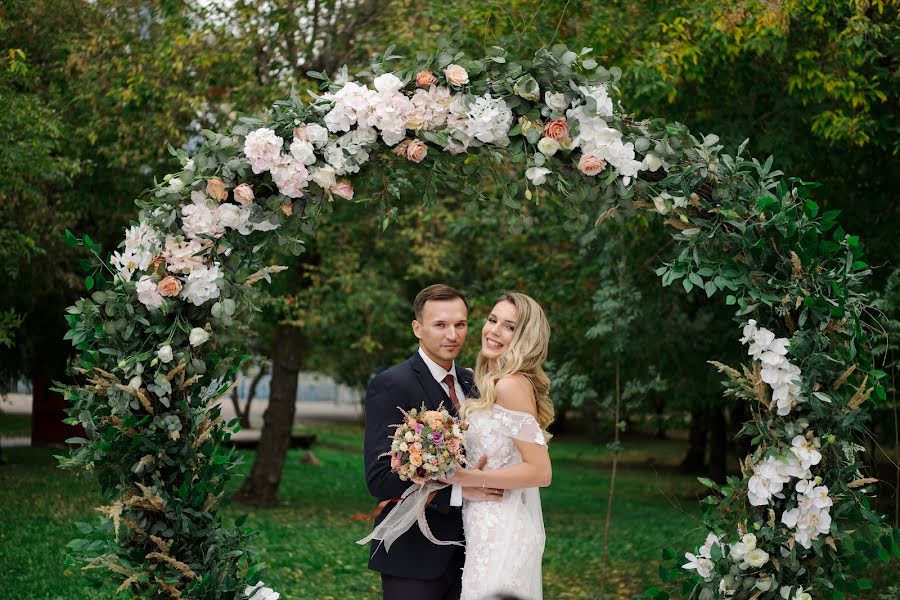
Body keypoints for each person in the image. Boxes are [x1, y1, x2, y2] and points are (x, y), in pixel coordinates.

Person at [362, 284, 504, 600]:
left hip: (474, 555)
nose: (452, 334)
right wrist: (457, 490)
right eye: (440, 325)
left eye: (460, 324)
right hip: (413, 558)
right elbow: (380, 479)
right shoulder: (391, 385)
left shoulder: (474, 384)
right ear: (418, 328)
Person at [442, 292, 554, 600]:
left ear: (524, 338)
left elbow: (541, 471)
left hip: (502, 531)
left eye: (509, 327)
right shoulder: (494, 380)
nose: (493, 330)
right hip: (482, 526)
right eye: (492, 320)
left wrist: (470, 478)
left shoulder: (509, 385)